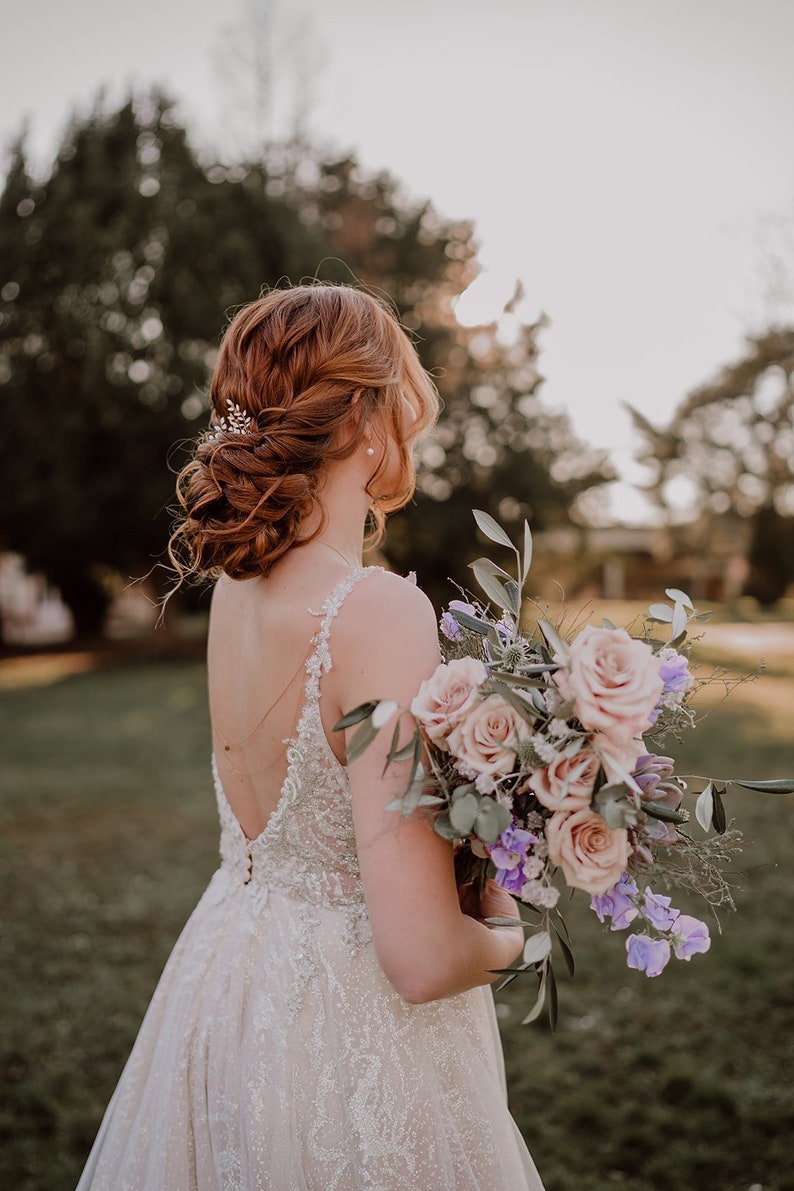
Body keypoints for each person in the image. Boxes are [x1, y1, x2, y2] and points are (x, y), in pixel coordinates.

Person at [76, 283, 545, 1189]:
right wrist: (509, 930)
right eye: (402, 399)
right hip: (346, 1031)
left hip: (230, 976)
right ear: (367, 418)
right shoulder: (372, 609)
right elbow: (418, 956)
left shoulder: (237, 594)